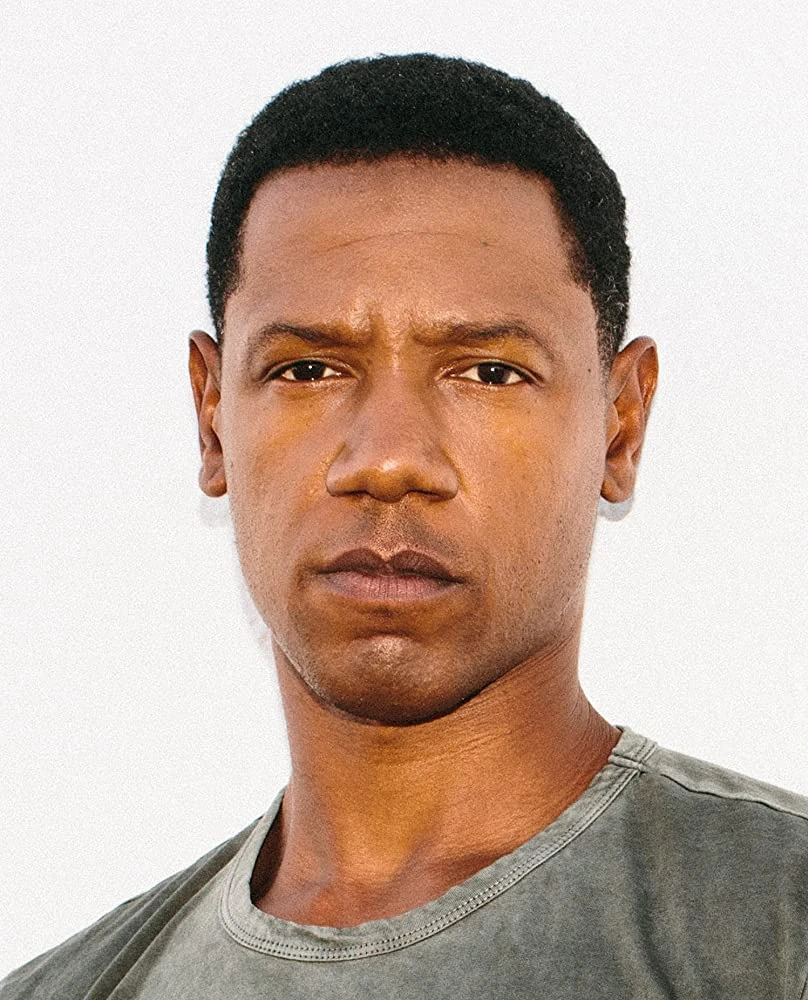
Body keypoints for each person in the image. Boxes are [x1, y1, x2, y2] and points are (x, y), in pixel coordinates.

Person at [3, 53, 806, 999]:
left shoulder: (777, 931)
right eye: (307, 370)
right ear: (212, 418)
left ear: (620, 425)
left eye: (489, 372)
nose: (387, 459)